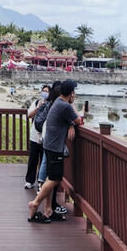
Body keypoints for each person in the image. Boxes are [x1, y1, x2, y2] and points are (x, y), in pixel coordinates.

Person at [28, 79, 82, 224]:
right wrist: (73, 121)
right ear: (71, 93)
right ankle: (35, 203)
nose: (75, 94)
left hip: (49, 145)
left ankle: (48, 210)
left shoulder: (58, 102)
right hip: (55, 147)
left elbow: (69, 120)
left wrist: (70, 123)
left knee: (50, 178)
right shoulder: (65, 106)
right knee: (55, 179)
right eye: (74, 92)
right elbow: (79, 121)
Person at [25, 85, 50, 190]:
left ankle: (41, 182)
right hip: (35, 135)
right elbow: (29, 115)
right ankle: (29, 180)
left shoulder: (50, 105)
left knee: (43, 160)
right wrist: (37, 108)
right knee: (33, 159)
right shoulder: (36, 102)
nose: (45, 93)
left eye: (47, 91)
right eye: (43, 91)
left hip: (45, 136)